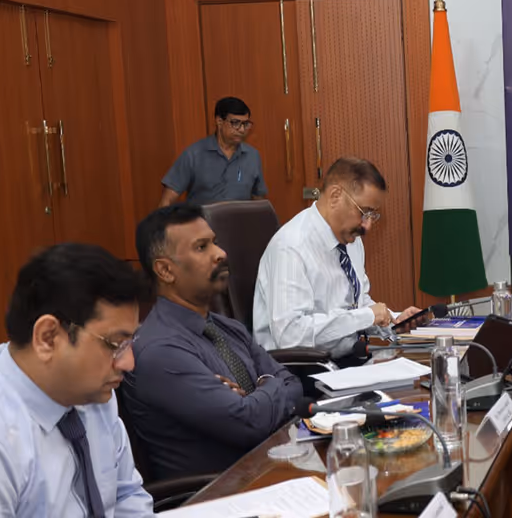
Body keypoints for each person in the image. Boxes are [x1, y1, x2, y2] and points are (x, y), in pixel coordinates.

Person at [122, 205, 303, 481]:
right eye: (201, 247)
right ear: (166, 270)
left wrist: (260, 391)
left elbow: (293, 384)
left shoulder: (225, 327)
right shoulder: (160, 351)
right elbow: (249, 424)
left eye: (214, 242)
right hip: (219, 492)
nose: (220, 253)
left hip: (269, 470)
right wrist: (269, 385)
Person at [0, 243, 154, 517]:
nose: (128, 363)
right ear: (48, 338)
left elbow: (126, 495)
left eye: (129, 343)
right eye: (115, 344)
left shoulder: (94, 393)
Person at [254, 156, 420, 361]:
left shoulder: (351, 240)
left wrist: (394, 321)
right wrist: (367, 316)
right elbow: (290, 336)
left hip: (348, 359)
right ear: (335, 196)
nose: (367, 226)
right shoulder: (291, 246)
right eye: (364, 212)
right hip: (301, 368)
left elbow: (357, 304)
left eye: (372, 215)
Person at [160, 96, 266, 206]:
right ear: (219, 121)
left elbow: (259, 201)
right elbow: (167, 200)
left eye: (245, 124)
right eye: (236, 123)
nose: (242, 130)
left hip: (240, 217)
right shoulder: (194, 155)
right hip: (202, 217)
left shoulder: (253, 156)